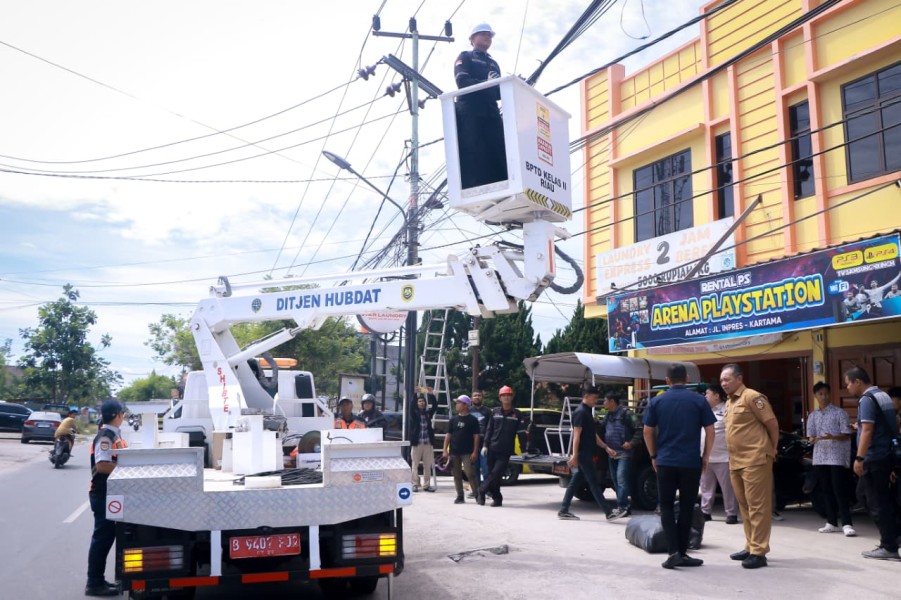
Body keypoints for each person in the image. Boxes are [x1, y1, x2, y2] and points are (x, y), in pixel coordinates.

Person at [643, 364, 716, 569]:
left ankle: (673, 552)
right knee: (686, 507)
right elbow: (710, 431)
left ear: (667, 380)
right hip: (690, 462)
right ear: (686, 378)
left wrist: (653, 456)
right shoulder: (699, 401)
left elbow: (647, 431)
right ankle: (682, 552)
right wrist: (705, 456)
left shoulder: (657, 401)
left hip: (665, 461)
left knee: (665, 506)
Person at [721, 363, 779, 569]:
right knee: (744, 507)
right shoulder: (729, 402)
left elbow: (772, 424)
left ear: (739, 378)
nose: (723, 383)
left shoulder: (753, 397)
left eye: (727, 379)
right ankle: (750, 545)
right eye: (721, 380)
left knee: (758, 507)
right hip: (735, 461)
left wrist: (771, 450)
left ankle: (759, 551)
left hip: (755, 459)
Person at [845, 366, 899, 560]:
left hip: (874, 457)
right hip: (885, 455)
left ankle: (889, 546)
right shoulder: (882, 396)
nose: (848, 388)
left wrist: (859, 458)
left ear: (858, 381)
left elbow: (868, 429)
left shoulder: (866, 399)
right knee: (877, 498)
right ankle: (892, 536)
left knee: (874, 501)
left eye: (849, 383)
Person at [454, 23, 507, 189]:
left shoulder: (493, 64)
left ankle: (500, 184)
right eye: (483, 34)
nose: (487, 37)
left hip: (490, 112)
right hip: (470, 110)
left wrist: (511, 87)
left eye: (489, 35)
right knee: (472, 148)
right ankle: (473, 186)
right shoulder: (466, 56)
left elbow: (498, 93)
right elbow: (462, 81)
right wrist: (485, 83)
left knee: (497, 148)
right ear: (472, 39)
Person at [85, 399, 127, 597]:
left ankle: (99, 580)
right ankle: (94, 583)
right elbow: (102, 465)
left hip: (110, 494)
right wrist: (128, 470)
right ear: (117, 414)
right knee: (102, 539)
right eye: (122, 413)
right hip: (103, 495)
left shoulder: (113, 434)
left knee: (107, 538)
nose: (124, 416)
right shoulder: (106, 435)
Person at [806, 381, 855, 537]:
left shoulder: (840, 413)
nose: (824, 396)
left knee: (839, 489)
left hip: (836, 456)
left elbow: (847, 434)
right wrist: (812, 440)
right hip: (820, 456)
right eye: (820, 394)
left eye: (826, 393)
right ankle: (832, 522)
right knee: (825, 490)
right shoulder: (812, 416)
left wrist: (832, 437)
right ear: (815, 396)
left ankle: (847, 523)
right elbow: (810, 436)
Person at [558, 386, 614, 521]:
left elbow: (592, 435)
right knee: (594, 483)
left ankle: (563, 510)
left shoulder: (587, 412)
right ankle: (608, 512)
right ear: (587, 396)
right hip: (583, 454)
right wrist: (575, 455)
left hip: (587, 453)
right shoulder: (580, 412)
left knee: (575, 481)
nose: (596, 401)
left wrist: (606, 447)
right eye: (594, 398)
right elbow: (576, 436)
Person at [478, 385, 525, 507]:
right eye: (504, 395)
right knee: (492, 475)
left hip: (505, 450)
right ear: (500, 398)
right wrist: (485, 445)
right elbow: (489, 429)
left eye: (508, 395)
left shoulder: (517, 414)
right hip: (492, 448)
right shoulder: (495, 412)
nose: (506, 398)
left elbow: (521, 433)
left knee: (495, 473)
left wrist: (524, 450)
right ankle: (497, 499)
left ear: (512, 397)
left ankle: (482, 490)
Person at [699, 384, 739, 524]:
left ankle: (731, 513)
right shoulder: (704, 410)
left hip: (723, 456)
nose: (705, 396)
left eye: (707, 393)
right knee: (706, 486)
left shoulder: (727, 409)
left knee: (727, 487)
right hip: (706, 456)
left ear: (716, 395)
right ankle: (705, 512)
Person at [600, 391, 640, 519]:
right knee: (616, 480)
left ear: (612, 401)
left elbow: (639, 428)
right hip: (612, 453)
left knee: (621, 478)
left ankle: (622, 506)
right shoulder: (608, 415)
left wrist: (632, 443)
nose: (603, 403)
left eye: (605, 400)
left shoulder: (627, 413)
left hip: (624, 453)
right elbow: (602, 428)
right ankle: (625, 507)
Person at [443, 395, 481, 504]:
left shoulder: (473, 420)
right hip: (454, 451)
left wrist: (475, 451)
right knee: (456, 474)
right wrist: (445, 449)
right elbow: (448, 435)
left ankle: (477, 495)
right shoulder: (453, 419)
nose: (456, 405)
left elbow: (476, 436)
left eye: (459, 403)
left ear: (465, 405)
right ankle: (460, 495)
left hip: (468, 452)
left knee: (470, 473)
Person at [410, 394, 436, 493]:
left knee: (427, 465)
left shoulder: (428, 414)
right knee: (414, 465)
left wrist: (432, 395)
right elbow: (411, 407)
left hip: (427, 443)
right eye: (419, 401)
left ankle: (426, 485)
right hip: (417, 443)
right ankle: (415, 484)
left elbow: (435, 406)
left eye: (423, 401)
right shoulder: (414, 413)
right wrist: (415, 395)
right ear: (417, 403)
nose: (421, 403)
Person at [469, 390, 492, 497]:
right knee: (474, 469)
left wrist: (487, 443)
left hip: (484, 444)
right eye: (475, 396)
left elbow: (491, 427)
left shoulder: (487, 411)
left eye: (479, 395)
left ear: (482, 398)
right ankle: (476, 490)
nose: (477, 397)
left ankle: (487, 490)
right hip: (471, 445)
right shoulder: (468, 410)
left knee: (486, 468)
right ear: (471, 398)